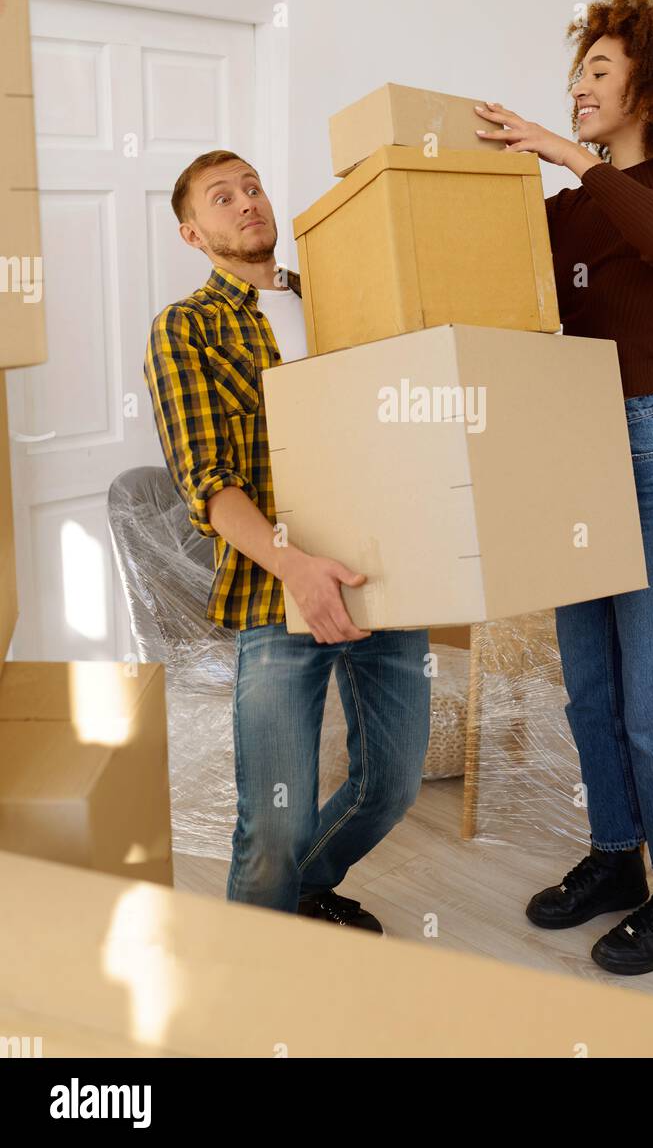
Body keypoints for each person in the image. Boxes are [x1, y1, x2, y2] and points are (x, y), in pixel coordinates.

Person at [475, 0, 653, 975]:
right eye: (577, 67)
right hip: (567, 449)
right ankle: (617, 858)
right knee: (588, 688)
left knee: (652, 694)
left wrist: (562, 150)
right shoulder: (568, 208)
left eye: (599, 68)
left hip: (647, 454)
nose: (578, 84)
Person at [144, 150, 430, 931]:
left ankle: (303, 896)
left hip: (383, 575)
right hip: (278, 590)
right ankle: (256, 996)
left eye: (253, 187)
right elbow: (207, 481)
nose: (246, 203)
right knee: (273, 821)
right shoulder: (186, 328)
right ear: (192, 233)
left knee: (393, 784)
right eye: (221, 197)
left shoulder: (344, 299)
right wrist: (297, 568)